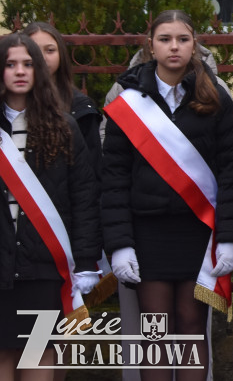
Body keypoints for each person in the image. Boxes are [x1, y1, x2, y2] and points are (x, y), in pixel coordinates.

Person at [102, 10, 233, 381]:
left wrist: (229, 239)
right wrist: (119, 244)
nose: (174, 46)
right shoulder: (129, 101)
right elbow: (114, 178)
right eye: (165, 39)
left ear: (194, 44)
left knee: (191, 324)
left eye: (182, 39)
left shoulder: (216, 97)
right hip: (147, 232)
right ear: (150, 46)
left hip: (198, 231)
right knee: (155, 329)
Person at [0, 33, 100, 381]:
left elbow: (84, 199)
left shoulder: (64, 127)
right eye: (10, 64)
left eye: (28, 64)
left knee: (38, 357)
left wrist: (87, 262)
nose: (19, 72)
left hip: (43, 270)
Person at [24, 22, 102, 167]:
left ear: (61, 54)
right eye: (33, 51)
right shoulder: (9, 104)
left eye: (50, 50)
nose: (42, 57)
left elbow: (92, 167)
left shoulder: (81, 108)